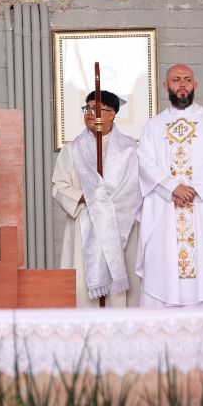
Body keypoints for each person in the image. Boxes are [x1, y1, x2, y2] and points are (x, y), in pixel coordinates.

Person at [136, 64, 203, 308]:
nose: (182, 84)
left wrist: (191, 189)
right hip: (165, 209)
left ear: (195, 85)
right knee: (163, 270)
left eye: (187, 79)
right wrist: (172, 186)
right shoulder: (152, 126)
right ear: (166, 86)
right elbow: (144, 162)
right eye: (175, 79)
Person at [52, 90, 141, 308]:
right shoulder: (74, 149)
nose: (90, 113)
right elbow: (59, 186)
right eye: (87, 108)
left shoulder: (131, 149)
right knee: (83, 288)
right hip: (85, 222)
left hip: (122, 225)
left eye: (96, 109)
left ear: (112, 114)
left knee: (122, 289)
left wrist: (107, 204)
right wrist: (85, 196)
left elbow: (138, 187)